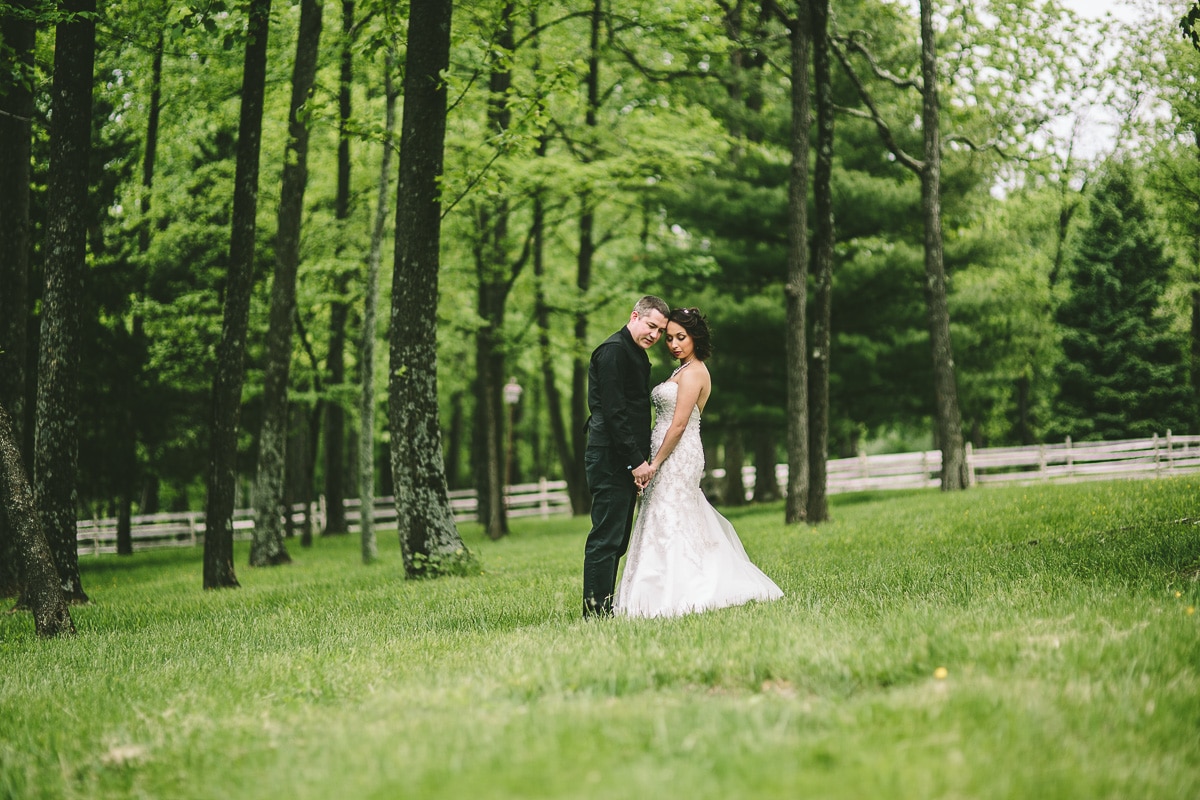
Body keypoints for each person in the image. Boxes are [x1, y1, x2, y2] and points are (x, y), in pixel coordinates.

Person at [615, 307, 783, 618]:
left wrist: (654, 464)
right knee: (662, 513)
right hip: (663, 450)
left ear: (696, 338)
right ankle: (649, 591)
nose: (674, 344)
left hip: (679, 453)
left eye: (681, 337)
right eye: (669, 338)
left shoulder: (695, 371)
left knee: (670, 512)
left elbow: (679, 424)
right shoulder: (680, 370)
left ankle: (681, 589)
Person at [582, 295, 671, 618]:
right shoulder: (613, 352)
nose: (655, 335)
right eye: (651, 326)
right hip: (609, 456)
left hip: (623, 456)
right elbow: (614, 411)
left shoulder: (633, 352)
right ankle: (595, 613)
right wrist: (636, 462)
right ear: (635, 316)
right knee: (606, 536)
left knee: (618, 538)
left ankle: (604, 605)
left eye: (660, 331)